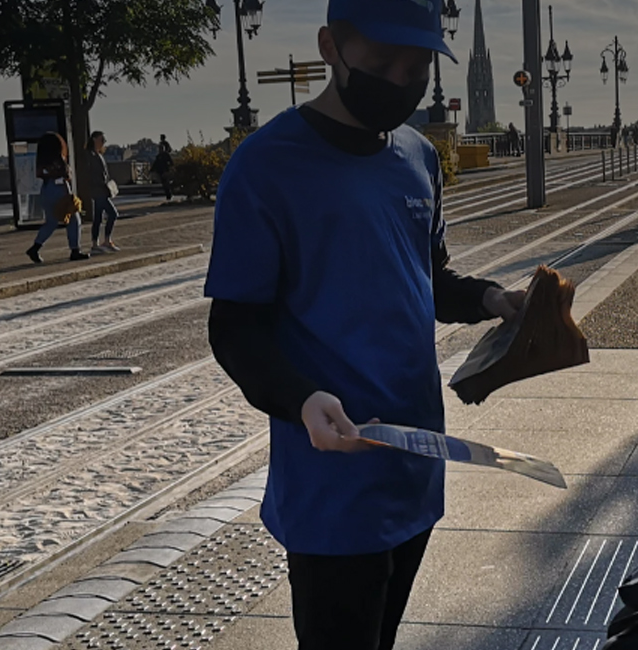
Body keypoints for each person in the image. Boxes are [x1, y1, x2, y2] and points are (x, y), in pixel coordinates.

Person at [203, 2, 527, 649]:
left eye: (416, 67)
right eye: (381, 63)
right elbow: (234, 327)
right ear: (331, 47)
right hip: (332, 481)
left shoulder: (418, 158)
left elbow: (428, 279)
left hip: (415, 466)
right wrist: (300, 400)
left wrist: (493, 299)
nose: (400, 80)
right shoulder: (266, 166)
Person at [25, 132, 88, 263]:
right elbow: (66, 175)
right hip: (58, 190)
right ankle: (75, 250)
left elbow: (41, 174)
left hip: (47, 190)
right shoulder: (58, 159)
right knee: (74, 219)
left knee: (51, 222)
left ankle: (36, 247)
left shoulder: (42, 160)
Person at [79, 131, 121, 253]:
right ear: (94, 139)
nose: (103, 142)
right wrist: (101, 184)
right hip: (99, 190)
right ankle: (105, 241)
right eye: (101, 139)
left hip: (101, 190)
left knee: (98, 217)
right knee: (112, 214)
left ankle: (96, 243)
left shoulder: (98, 154)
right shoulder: (90, 155)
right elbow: (89, 173)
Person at [153, 136, 175, 201]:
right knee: (164, 184)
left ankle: (169, 194)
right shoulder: (159, 156)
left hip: (165, 170)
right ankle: (168, 194)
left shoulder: (166, 154)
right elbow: (156, 163)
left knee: (166, 183)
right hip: (161, 171)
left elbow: (171, 162)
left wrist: (170, 167)